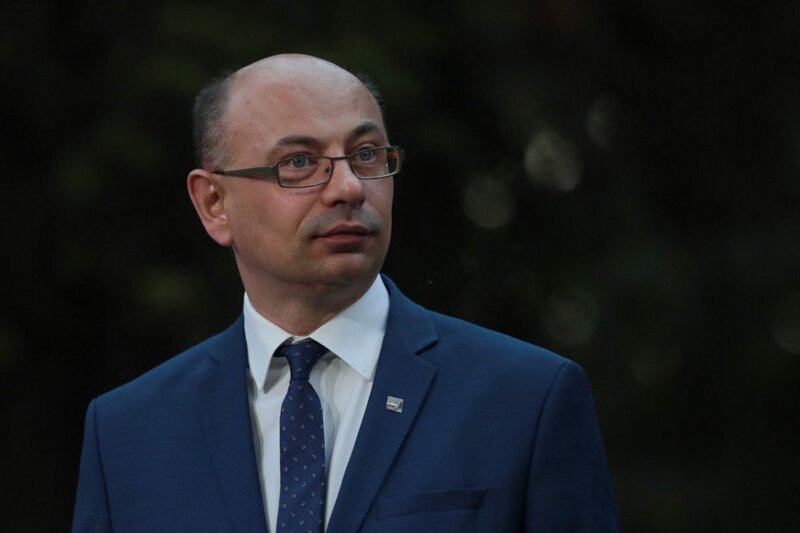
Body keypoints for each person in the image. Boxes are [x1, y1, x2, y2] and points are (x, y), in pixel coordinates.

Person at [72, 53, 619, 533]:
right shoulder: (129, 432)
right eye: (300, 163)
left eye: (366, 155)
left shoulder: (524, 400)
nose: (350, 188)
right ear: (214, 203)